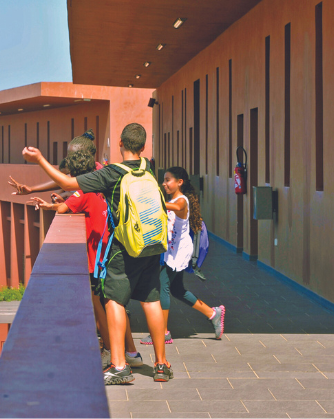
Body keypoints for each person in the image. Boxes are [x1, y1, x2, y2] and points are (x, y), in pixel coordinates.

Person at [22, 123, 172, 385]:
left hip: (123, 248)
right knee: (151, 300)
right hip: (149, 244)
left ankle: (119, 365)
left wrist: (39, 159)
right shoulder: (148, 167)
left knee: (114, 301)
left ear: (121, 144)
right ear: (143, 147)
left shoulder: (112, 173)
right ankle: (161, 365)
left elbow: (68, 181)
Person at [26, 149, 142, 370]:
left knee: (101, 302)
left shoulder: (84, 190)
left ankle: (113, 354)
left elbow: (63, 207)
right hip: (116, 248)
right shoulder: (102, 177)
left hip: (99, 256)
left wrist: (51, 205)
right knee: (117, 302)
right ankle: (131, 351)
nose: (68, 181)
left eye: (69, 176)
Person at [142, 167, 224, 345]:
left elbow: (177, 207)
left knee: (162, 286)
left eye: (168, 180)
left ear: (180, 182)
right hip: (172, 251)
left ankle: (163, 333)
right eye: (163, 180)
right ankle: (213, 313)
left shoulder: (182, 200)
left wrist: (155, 203)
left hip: (177, 254)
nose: (164, 183)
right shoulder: (172, 199)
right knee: (177, 289)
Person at [9, 130, 100, 197]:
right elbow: (65, 180)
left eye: (75, 156)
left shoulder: (98, 174)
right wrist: (32, 189)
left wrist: (39, 159)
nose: (70, 160)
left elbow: (67, 184)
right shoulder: (85, 172)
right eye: (70, 156)